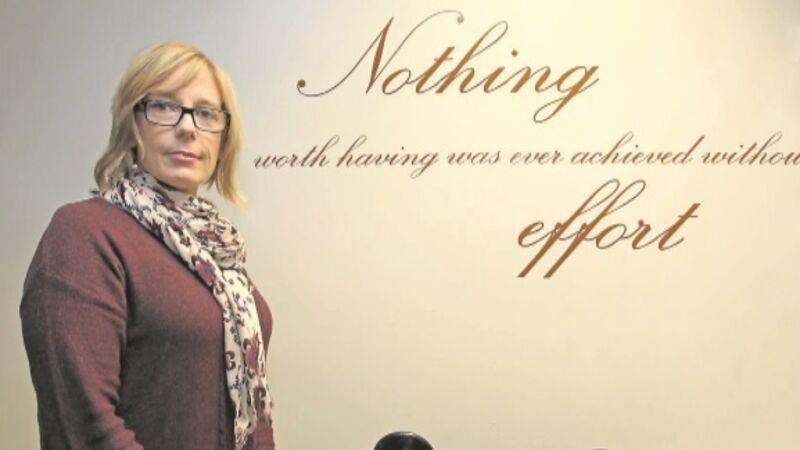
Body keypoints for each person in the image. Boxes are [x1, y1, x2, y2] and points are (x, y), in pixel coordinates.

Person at [20, 42, 275, 450]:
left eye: (206, 113)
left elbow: (255, 416)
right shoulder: (86, 234)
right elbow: (85, 428)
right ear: (132, 124)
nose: (188, 127)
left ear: (224, 138)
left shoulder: (217, 253)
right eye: (164, 107)